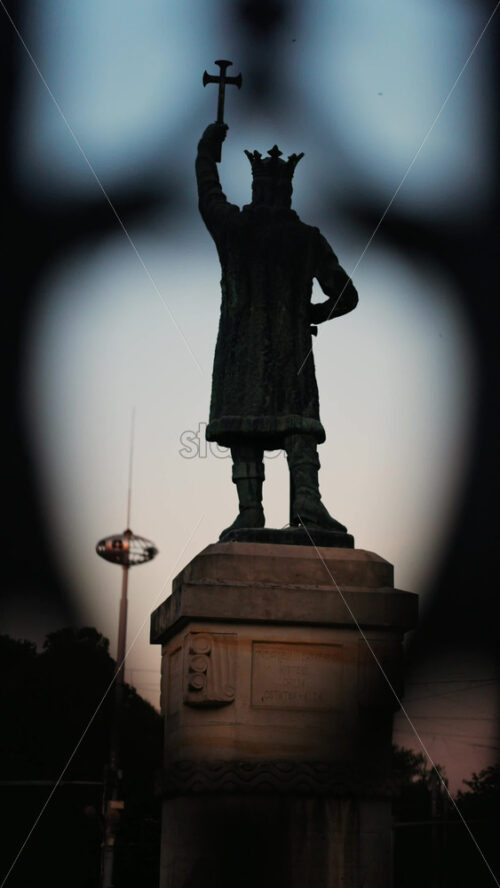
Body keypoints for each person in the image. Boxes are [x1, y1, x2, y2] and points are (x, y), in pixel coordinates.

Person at [196, 122, 358, 538]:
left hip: (240, 351)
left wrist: (206, 151)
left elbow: (208, 195)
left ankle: (250, 510)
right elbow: (347, 295)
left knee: (244, 424)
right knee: (297, 422)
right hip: (292, 349)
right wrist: (312, 315)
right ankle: (307, 500)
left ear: (256, 190)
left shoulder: (235, 227)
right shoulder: (306, 238)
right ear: (287, 192)